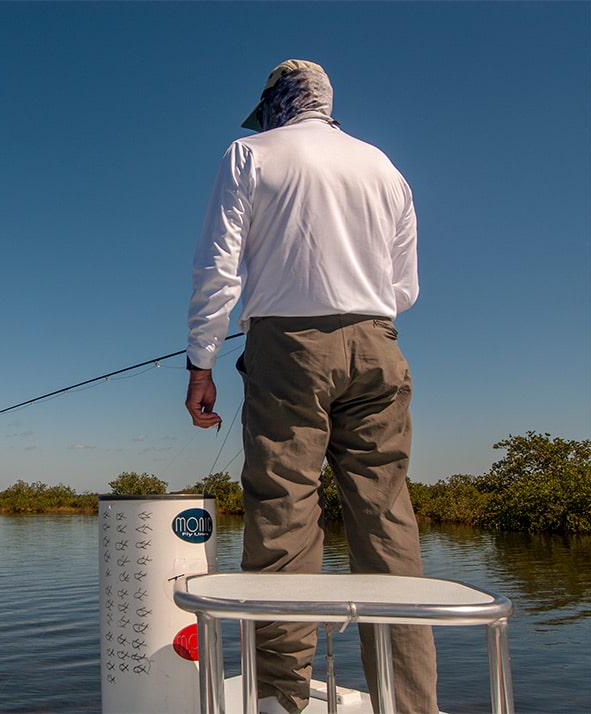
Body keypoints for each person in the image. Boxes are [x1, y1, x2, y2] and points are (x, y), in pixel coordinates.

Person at [184, 59, 438, 714]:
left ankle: (282, 698)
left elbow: (219, 266)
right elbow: (404, 287)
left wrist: (201, 361)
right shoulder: (384, 167)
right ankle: (407, 702)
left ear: (276, 103)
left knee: (283, 509)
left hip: (288, 347)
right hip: (379, 343)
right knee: (385, 514)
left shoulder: (249, 153)